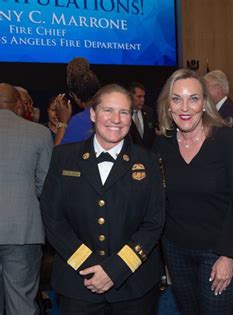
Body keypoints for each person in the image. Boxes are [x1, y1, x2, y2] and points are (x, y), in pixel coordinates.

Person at [40, 84, 165, 315]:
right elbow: (53, 219)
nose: (116, 119)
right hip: (78, 284)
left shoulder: (147, 161)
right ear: (93, 114)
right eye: (108, 110)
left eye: (124, 112)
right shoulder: (64, 158)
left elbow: (153, 222)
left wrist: (116, 270)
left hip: (134, 284)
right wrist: (89, 266)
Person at [152, 69, 233, 315]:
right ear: (168, 105)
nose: (185, 107)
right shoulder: (161, 144)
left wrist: (228, 256)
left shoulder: (227, 139)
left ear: (204, 103)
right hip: (175, 250)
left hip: (218, 252)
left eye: (193, 98)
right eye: (177, 99)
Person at [0, 83, 53, 314]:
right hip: (22, 230)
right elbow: (45, 187)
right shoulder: (39, 133)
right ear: (20, 106)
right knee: (21, 301)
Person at [60, 57, 101, 145]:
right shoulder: (114, 113)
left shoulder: (78, 122)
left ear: (74, 95)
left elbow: (58, 156)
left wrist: (62, 123)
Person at [128, 82, 158, 150]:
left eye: (143, 96)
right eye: (139, 96)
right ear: (130, 96)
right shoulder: (123, 114)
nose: (142, 100)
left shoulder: (149, 112)